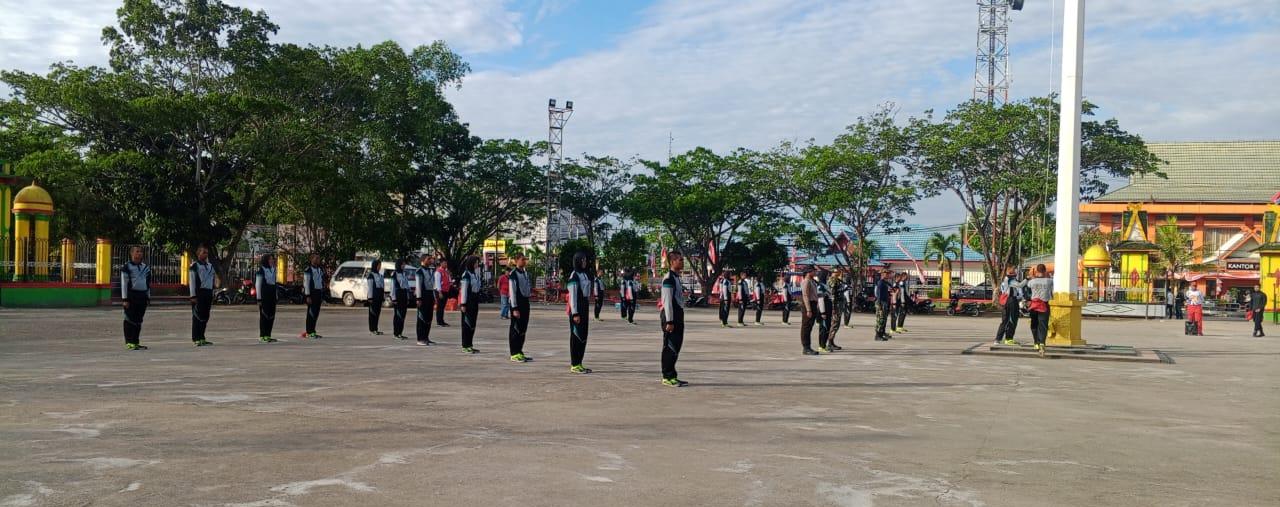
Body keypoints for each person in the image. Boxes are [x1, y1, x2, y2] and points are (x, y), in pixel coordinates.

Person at [660, 251, 689, 387]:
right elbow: (667, 302)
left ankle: (672, 375)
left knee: (676, 346)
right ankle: (667, 376)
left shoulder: (676, 277)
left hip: (678, 314)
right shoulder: (668, 278)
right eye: (680, 260)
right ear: (672, 262)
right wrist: (670, 321)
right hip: (670, 316)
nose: (682, 262)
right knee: (670, 347)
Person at [566, 251, 593, 373]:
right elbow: (573, 297)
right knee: (576, 336)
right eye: (582, 260)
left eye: (585, 260)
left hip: (584, 306)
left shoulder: (585, 274)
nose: (585, 262)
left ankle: (579, 362)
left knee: (583, 335)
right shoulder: (574, 275)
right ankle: (575, 363)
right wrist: (575, 313)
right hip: (577, 309)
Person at [120, 246, 152, 351]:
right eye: (137, 252)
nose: (139, 254)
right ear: (132, 254)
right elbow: (124, 283)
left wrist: (148, 297)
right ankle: (129, 341)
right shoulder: (127, 267)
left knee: (139, 320)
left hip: (142, 296)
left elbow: (148, 283)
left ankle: (136, 341)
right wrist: (125, 299)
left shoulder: (145, 268)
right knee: (130, 319)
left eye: (141, 252)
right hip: (131, 296)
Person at [188, 246, 216, 347]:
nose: (205, 254)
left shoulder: (210, 266)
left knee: (205, 315)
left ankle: (202, 337)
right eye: (203, 252)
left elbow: (212, 279)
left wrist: (212, 292)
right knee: (197, 316)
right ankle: (196, 338)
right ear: (198, 254)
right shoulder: (194, 266)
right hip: (198, 293)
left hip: (207, 293)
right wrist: (193, 295)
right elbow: (192, 281)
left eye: (207, 253)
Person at [507, 253, 533, 362]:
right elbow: (512, 292)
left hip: (525, 302)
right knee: (516, 328)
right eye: (522, 259)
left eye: (525, 259)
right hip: (517, 303)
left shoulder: (525, 273)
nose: (524, 261)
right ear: (516, 260)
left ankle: (519, 350)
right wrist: (514, 308)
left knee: (523, 328)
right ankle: (514, 352)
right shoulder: (513, 274)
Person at [994, 267, 1025, 345]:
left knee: (1005, 320)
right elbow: (1020, 285)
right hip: (1011, 300)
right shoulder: (1011, 280)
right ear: (1012, 272)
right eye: (1015, 271)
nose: (1017, 273)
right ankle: (1008, 338)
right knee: (1013, 320)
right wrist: (1027, 279)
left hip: (1005, 301)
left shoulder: (1005, 279)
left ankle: (998, 339)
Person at [1026, 265, 1053, 353]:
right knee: (1043, 325)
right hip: (1044, 305)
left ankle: (1036, 342)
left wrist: (1034, 277)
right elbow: (1052, 283)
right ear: (1045, 271)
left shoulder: (1032, 281)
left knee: (1034, 324)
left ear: (1037, 271)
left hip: (1034, 305)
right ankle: (1042, 343)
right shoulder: (1049, 281)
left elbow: (1028, 286)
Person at [458, 255, 482, 353]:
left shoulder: (475, 274)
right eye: (476, 262)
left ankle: (470, 344)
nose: (477, 264)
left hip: (475, 300)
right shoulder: (466, 274)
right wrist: (463, 304)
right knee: (467, 323)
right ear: (471, 263)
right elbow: (463, 290)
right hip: (468, 301)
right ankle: (465, 345)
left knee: (472, 323)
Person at [414, 254, 437, 346]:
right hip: (423, 295)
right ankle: (420, 338)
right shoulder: (419, 271)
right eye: (428, 259)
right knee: (421, 317)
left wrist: (434, 298)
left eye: (431, 259)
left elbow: (433, 285)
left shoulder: (431, 270)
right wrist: (418, 298)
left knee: (429, 317)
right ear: (423, 260)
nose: (430, 260)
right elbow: (418, 285)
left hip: (429, 295)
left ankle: (426, 337)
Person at [254, 253, 278, 343]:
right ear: (266, 260)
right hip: (264, 294)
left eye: (272, 259)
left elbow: (274, 283)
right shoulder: (261, 270)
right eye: (270, 259)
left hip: (272, 294)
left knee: (271, 315)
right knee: (264, 315)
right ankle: (262, 335)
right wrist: (259, 298)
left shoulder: (273, 269)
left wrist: (276, 295)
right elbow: (258, 285)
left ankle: (268, 334)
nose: (272, 261)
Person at [302, 253, 326, 339]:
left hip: (318, 292)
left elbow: (321, 281)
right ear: (311, 259)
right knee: (311, 313)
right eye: (316, 258)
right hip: (311, 293)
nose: (317, 260)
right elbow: (306, 283)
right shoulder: (308, 270)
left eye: (318, 258)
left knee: (316, 313)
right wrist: (307, 295)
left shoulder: (320, 269)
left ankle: (313, 331)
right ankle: (309, 332)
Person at [799, 267, 820, 355]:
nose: (815, 272)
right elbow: (805, 296)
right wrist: (808, 309)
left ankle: (808, 346)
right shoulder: (806, 281)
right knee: (806, 326)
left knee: (810, 326)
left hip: (813, 304)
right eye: (813, 271)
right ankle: (806, 347)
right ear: (808, 272)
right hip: (808, 305)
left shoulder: (812, 281)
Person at [816, 269, 837, 352]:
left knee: (827, 328)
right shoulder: (820, 286)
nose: (828, 277)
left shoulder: (825, 285)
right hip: (824, 310)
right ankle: (821, 346)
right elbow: (820, 300)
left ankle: (824, 345)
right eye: (827, 275)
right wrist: (823, 312)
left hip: (828, 309)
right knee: (823, 328)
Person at [365, 259, 386, 336]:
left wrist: (383, 296)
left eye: (380, 265)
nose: (379, 267)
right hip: (373, 296)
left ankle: (376, 329)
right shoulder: (371, 275)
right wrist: (370, 298)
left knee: (377, 313)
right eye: (378, 265)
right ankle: (372, 329)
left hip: (379, 296)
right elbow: (370, 287)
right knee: (372, 313)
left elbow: (382, 286)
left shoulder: (380, 275)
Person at [391, 259, 410, 340]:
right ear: (399, 265)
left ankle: (400, 333)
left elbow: (407, 285)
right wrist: (394, 298)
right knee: (398, 315)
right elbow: (392, 287)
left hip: (404, 295)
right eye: (402, 264)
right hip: (398, 295)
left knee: (403, 315)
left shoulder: (404, 273)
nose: (404, 266)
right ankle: (396, 333)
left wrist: (408, 296)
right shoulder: (395, 274)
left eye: (404, 264)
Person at [874, 270, 892, 341]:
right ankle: (877, 336)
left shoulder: (885, 282)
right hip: (881, 303)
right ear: (882, 274)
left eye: (888, 273)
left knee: (883, 319)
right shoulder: (880, 283)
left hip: (885, 303)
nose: (887, 275)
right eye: (886, 273)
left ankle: (881, 334)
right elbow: (878, 295)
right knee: (880, 320)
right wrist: (880, 305)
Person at [435, 258, 453, 327]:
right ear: (441, 263)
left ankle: (441, 321)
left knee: (442, 307)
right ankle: (439, 322)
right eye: (444, 263)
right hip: (440, 291)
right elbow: (437, 283)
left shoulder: (446, 271)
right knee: (439, 307)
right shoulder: (438, 272)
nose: (446, 264)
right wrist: (439, 292)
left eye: (446, 263)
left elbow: (449, 280)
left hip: (445, 291)